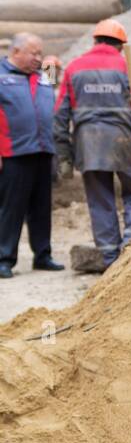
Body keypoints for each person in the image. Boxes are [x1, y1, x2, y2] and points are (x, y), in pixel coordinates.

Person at [53, 19, 131, 273]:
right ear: (121, 45)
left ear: (94, 41)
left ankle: (109, 259)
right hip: (123, 141)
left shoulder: (74, 67)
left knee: (100, 199)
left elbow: (59, 116)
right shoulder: (127, 66)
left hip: (87, 144)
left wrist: (65, 157)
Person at [0, 32, 62, 277]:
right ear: (16, 53)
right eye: (33, 53)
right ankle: (4, 259)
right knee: (11, 208)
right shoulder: (2, 76)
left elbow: (52, 91)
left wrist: (55, 65)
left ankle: (43, 255)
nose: (39, 58)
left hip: (43, 150)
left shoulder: (42, 75)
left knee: (41, 207)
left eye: (40, 52)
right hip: (14, 153)